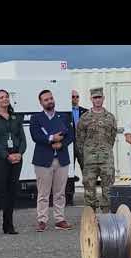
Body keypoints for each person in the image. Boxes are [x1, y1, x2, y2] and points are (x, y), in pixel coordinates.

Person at [29, 90, 74, 232]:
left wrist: (62, 144)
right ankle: (42, 220)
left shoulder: (64, 116)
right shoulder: (36, 118)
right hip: (43, 160)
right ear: (41, 103)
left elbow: (71, 135)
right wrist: (51, 139)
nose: (49, 101)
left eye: (51, 98)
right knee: (43, 193)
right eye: (46, 99)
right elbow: (35, 136)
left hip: (61, 159)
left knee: (60, 192)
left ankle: (60, 219)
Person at [0, 90, 26, 236]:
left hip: (16, 158)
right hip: (0, 159)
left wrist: (20, 153)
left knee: (11, 192)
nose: (5, 99)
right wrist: (7, 156)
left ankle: (8, 226)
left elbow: (22, 139)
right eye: (1, 97)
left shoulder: (15, 118)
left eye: (6, 96)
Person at [76, 87, 117, 213]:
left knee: (108, 189)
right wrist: (86, 155)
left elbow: (112, 137)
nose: (97, 100)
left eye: (99, 97)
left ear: (103, 98)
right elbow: (80, 140)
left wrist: (105, 150)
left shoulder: (110, 117)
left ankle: (107, 215)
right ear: (91, 99)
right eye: (95, 97)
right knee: (89, 190)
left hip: (106, 159)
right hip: (89, 160)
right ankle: (91, 216)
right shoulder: (84, 118)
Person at [71, 90, 88, 171]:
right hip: (71, 145)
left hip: (82, 145)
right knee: (70, 169)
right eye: (73, 96)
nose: (75, 98)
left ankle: (88, 183)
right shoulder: (66, 112)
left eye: (77, 97)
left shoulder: (85, 112)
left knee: (85, 168)